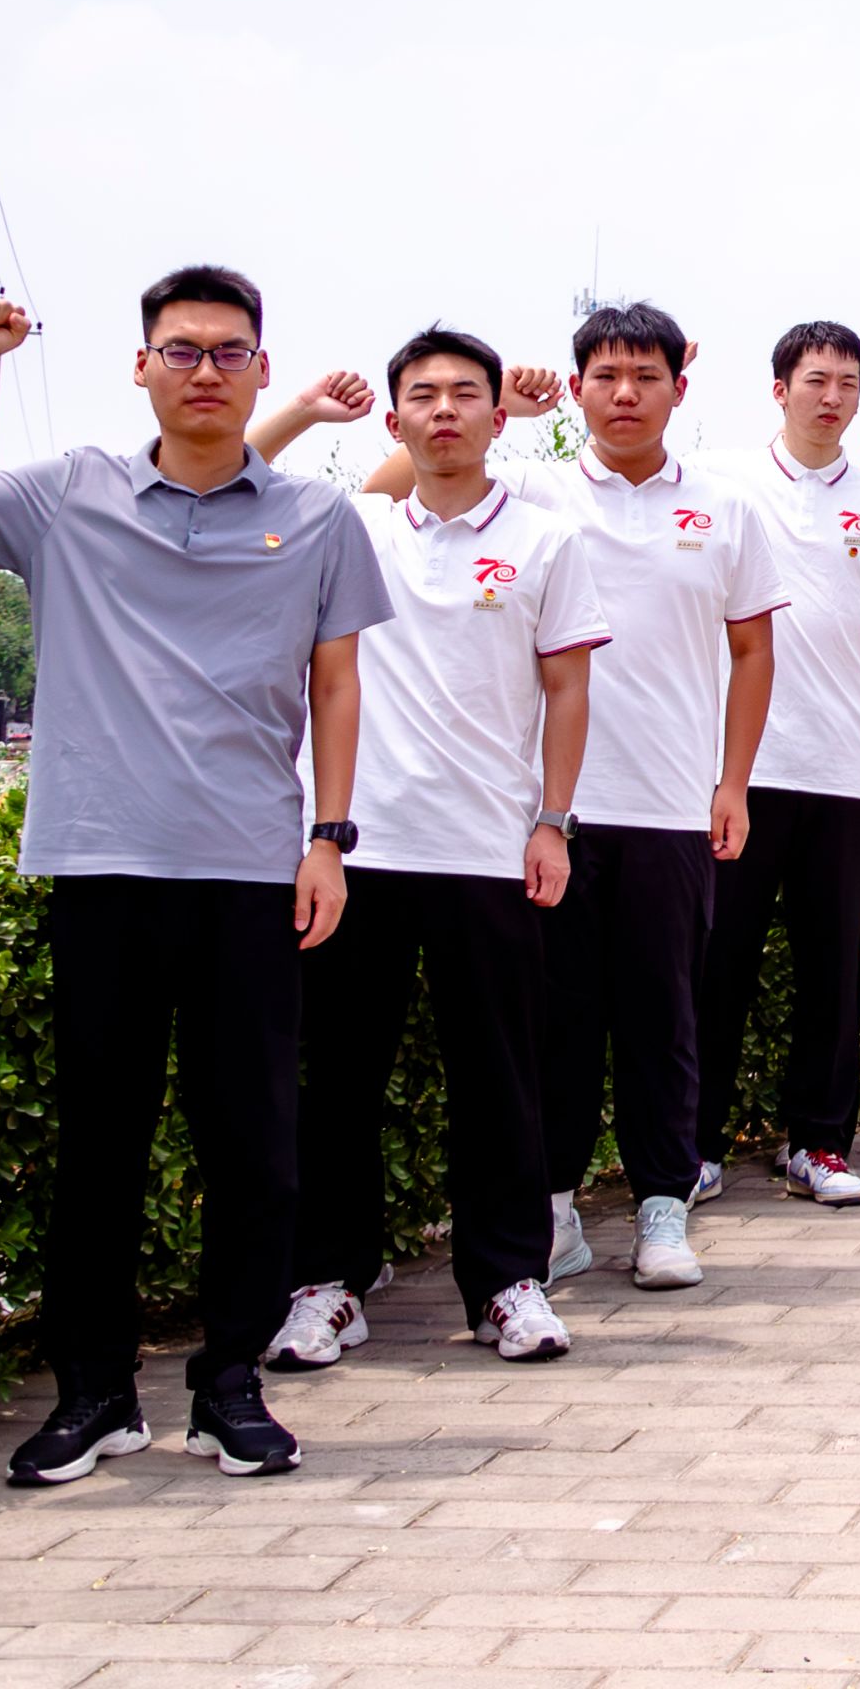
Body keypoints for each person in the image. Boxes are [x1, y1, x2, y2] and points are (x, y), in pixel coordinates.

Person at [0, 271, 390, 1485]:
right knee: (100, 1146)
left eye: (229, 351)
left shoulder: (318, 517)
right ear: (141, 365)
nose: (206, 370)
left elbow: (336, 683)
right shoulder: (69, 495)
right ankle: (94, 1394)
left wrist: (329, 836)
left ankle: (230, 1386)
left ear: (263, 371)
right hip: (101, 862)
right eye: (181, 349)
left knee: (253, 1147)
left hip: (250, 871)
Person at [247, 331, 604, 1369]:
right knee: (337, 1081)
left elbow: (568, 690)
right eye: (423, 395)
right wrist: (305, 408)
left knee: (499, 1081)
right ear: (394, 417)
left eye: (465, 394)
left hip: (489, 849)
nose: (445, 411)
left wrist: (553, 820)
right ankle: (328, 1285)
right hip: (356, 850)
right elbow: (228, 476)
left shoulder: (546, 539)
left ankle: (507, 1284)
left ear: (499, 415)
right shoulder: (352, 526)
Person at [433, 303, 780, 1294]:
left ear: (680, 386)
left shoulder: (725, 509)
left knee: (664, 1017)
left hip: (671, 805)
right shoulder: (526, 488)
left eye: (646, 376)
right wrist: (499, 405)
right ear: (577, 388)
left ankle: (664, 1208)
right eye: (606, 377)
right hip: (551, 817)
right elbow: (388, 487)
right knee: (556, 1024)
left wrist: (732, 782)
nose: (625, 394)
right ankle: (553, 1214)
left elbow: (754, 653)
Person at [693, 322, 860, 1206]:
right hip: (738, 771)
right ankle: (692, 1147)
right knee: (715, 964)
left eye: (847, 383)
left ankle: (819, 1143)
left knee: (833, 970)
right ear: (779, 389)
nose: (831, 397)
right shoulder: (721, 480)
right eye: (816, 380)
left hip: (842, 769)